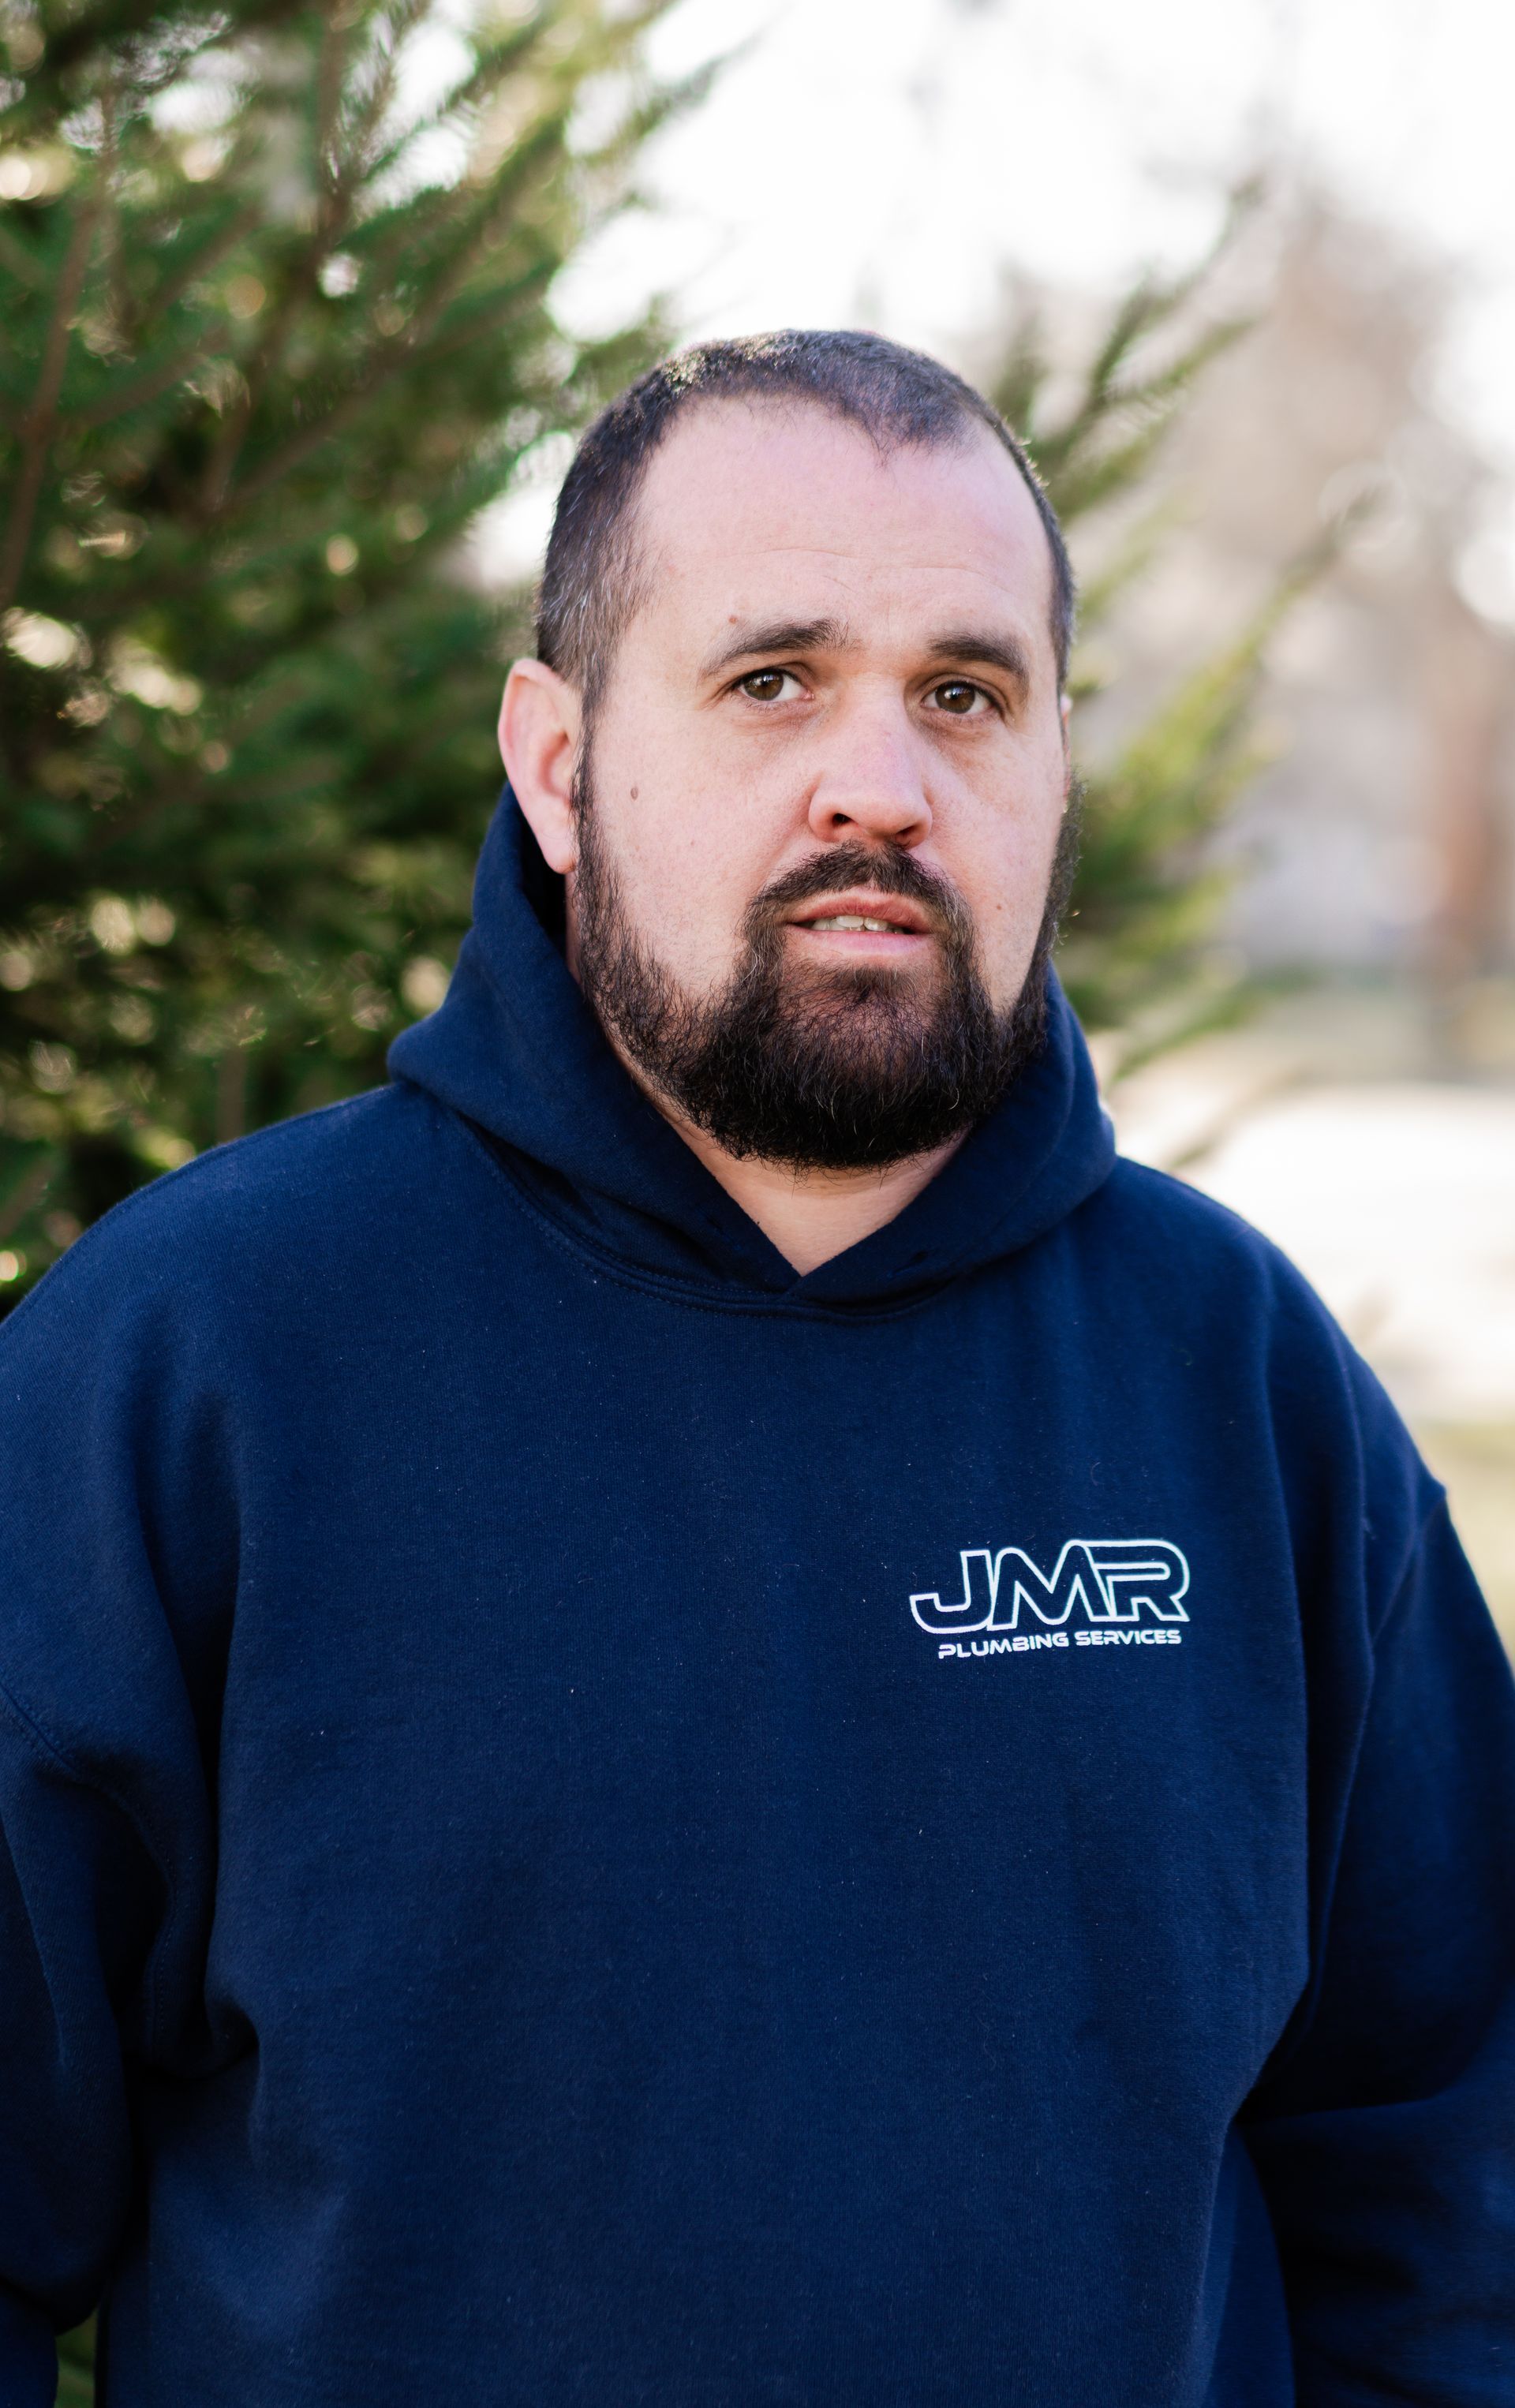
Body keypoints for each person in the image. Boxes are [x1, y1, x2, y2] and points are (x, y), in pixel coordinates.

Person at [1, 330, 1511, 2407]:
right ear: (557, 765)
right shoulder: (191, 1366)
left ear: (1053, 765)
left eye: (965, 694)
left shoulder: (1242, 1387)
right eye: (773, 678)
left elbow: (1454, 2189)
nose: (881, 784)